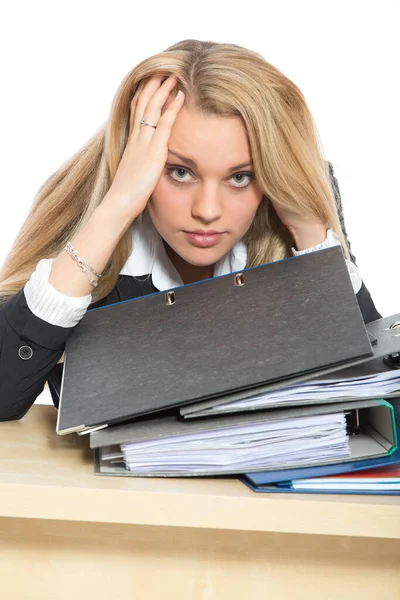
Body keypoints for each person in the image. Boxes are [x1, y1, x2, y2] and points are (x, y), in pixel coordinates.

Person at [0, 39, 381, 422]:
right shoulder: (90, 210)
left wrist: (310, 232)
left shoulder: (298, 219)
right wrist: (114, 210)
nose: (207, 211)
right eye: (180, 172)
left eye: (239, 177)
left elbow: (380, 407)